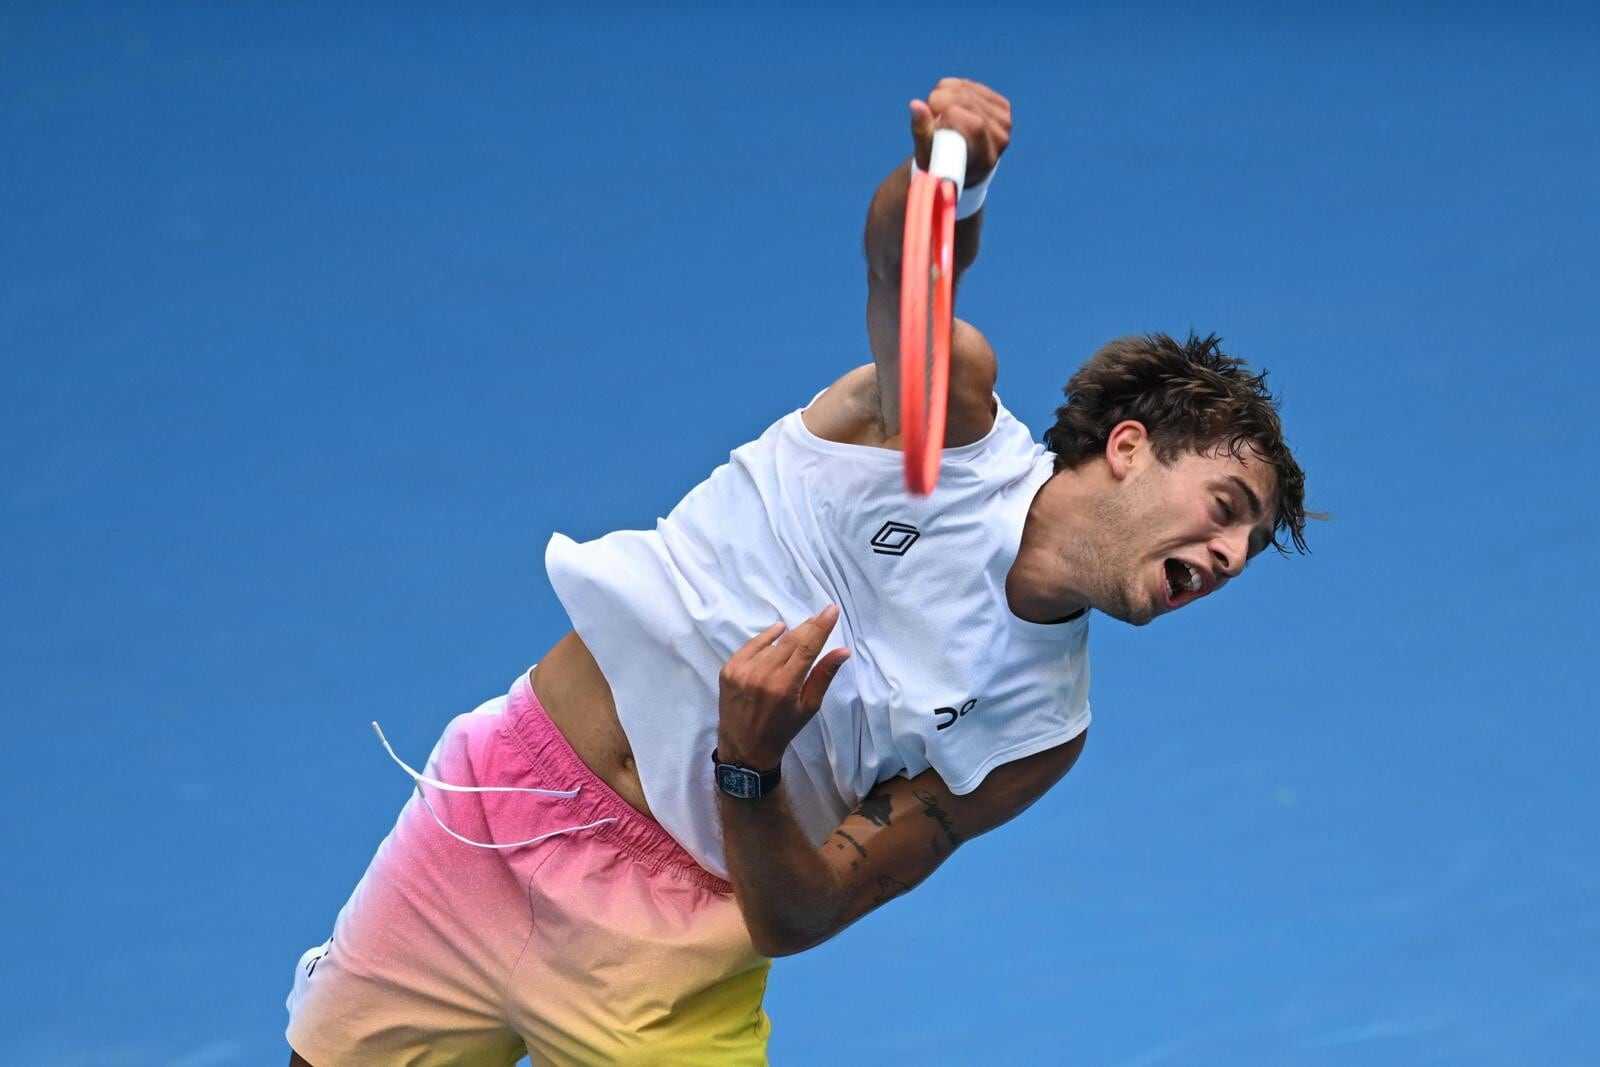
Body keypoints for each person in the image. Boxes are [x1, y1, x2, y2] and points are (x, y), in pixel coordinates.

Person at [285, 77, 1311, 1066]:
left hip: (669, 958)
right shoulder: (941, 428)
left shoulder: (1037, 730)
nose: (1228, 555)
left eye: (1248, 547)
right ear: (1127, 447)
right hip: (496, 804)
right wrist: (952, 176)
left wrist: (749, 764)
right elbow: (904, 269)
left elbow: (805, 911)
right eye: (1225, 507)